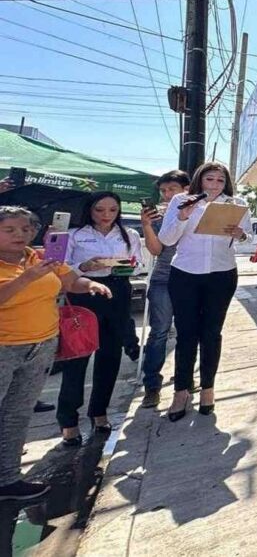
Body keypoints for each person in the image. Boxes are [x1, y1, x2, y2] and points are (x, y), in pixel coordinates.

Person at [0, 206, 111, 500]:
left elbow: (70, 280)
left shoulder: (40, 257)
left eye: (26, 229)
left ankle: (8, 480)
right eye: (9, 229)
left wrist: (91, 284)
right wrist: (26, 278)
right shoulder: (30, 268)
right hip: (4, 347)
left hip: (41, 345)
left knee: (17, 414)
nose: (20, 235)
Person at [158, 162, 252, 420]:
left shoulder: (236, 203)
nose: (214, 185)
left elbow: (249, 237)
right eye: (210, 179)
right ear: (200, 179)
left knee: (212, 333)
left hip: (222, 273)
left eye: (220, 180)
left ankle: (208, 388)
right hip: (185, 273)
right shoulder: (181, 200)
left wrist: (241, 234)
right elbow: (166, 239)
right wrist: (182, 217)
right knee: (186, 334)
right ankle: (181, 391)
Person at [59, 191, 142, 444]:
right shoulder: (74, 235)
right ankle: (68, 420)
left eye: (113, 210)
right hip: (83, 292)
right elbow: (60, 267)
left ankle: (99, 411)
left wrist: (124, 265)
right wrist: (85, 267)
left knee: (110, 355)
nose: (106, 215)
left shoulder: (129, 234)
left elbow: (137, 265)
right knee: (77, 357)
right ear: (89, 210)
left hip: (117, 291)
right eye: (99, 210)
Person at [139, 169, 191, 409]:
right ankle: (151, 385)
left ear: (186, 190)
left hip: (191, 278)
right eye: (163, 190)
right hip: (163, 278)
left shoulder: (197, 212)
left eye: (172, 189)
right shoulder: (158, 216)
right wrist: (147, 225)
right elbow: (156, 250)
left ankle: (184, 380)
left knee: (188, 332)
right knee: (159, 331)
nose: (167, 194)